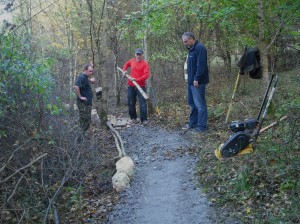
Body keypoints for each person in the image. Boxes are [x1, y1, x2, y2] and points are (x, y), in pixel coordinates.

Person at [182, 32, 209, 132]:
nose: (185, 44)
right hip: (190, 82)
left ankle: (201, 126)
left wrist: (197, 79)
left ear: (191, 39)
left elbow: (201, 66)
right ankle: (193, 123)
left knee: (200, 104)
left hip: (197, 82)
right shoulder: (191, 50)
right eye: (184, 42)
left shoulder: (200, 48)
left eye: (186, 41)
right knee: (192, 103)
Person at [122, 48, 150, 124]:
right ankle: (133, 118)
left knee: (142, 103)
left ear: (142, 55)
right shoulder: (132, 60)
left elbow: (146, 75)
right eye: (137, 54)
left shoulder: (145, 64)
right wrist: (124, 70)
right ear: (135, 54)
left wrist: (137, 79)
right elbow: (126, 64)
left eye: (139, 54)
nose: (138, 56)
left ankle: (143, 120)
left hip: (140, 85)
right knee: (131, 102)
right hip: (131, 85)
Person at [74, 63, 96, 132]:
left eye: (92, 71)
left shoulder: (85, 77)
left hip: (87, 103)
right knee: (84, 122)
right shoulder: (81, 77)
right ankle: (79, 139)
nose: (91, 73)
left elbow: (84, 82)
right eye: (90, 71)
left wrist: (90, 81)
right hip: (83, 103)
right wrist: (80, 97)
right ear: (85, 70)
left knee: (87, 121)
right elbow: (76, 86)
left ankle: (81, 138)